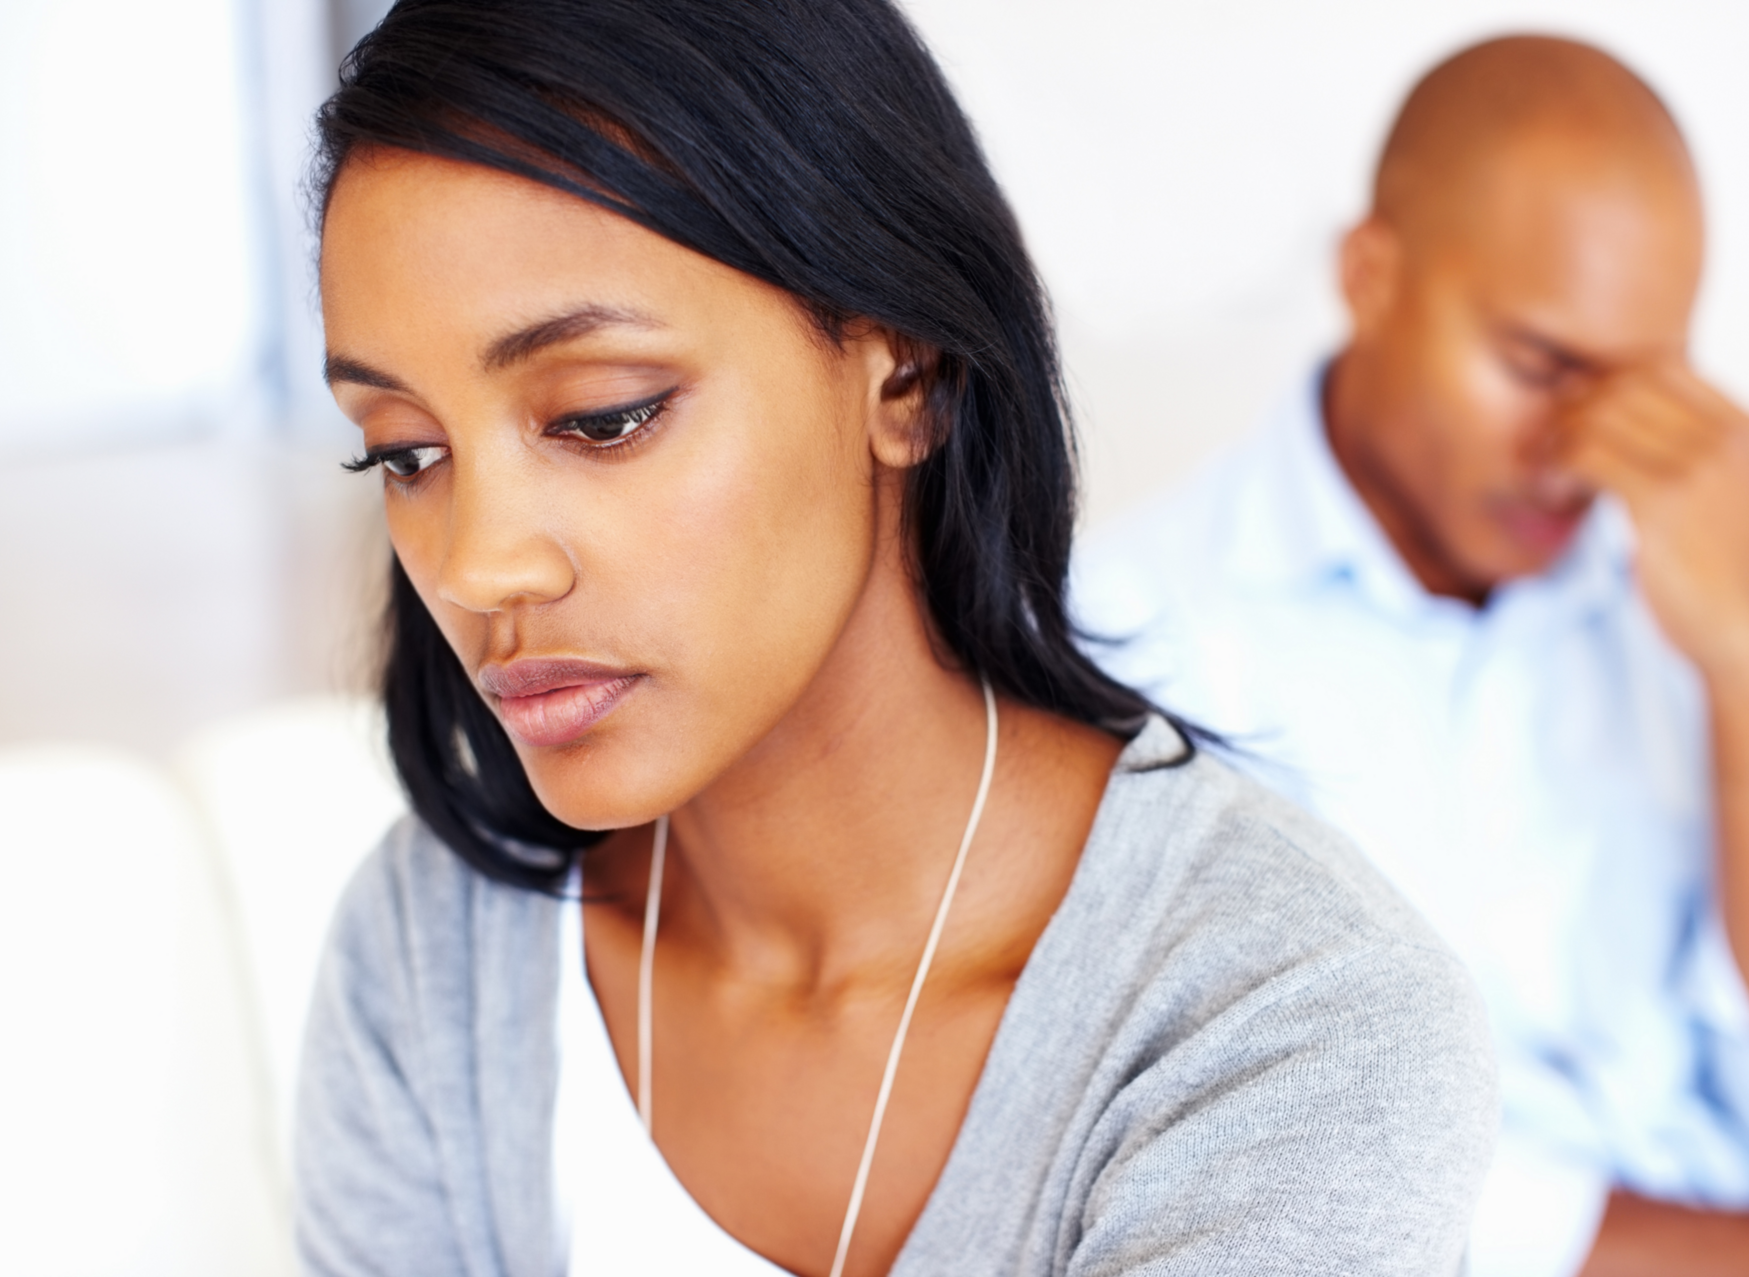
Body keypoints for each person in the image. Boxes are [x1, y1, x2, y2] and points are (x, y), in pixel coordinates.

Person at [293, 1, 1496, 1274]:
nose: (482, 563)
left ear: (904, 374)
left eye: (602, 416)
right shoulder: (437, 954)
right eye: (406, 452)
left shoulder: (1284, 1028)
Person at [1075, 33, 1749, 1277]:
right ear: (1369, 275)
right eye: (1540, 366)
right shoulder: (1129, 645)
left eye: (1648, 380)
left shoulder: (1706, 562)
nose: (1584, 442)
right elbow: (1310, 1153)